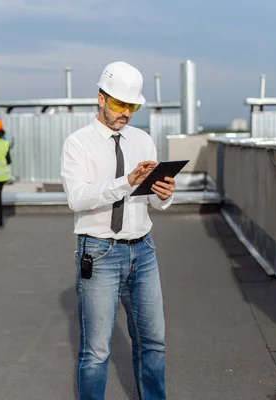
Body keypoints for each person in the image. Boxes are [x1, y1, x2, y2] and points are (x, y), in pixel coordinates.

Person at [60, 61, 176, 400]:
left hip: (143, 250)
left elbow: (152, 201)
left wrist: (164, 195)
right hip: (99, 252)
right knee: (96, 352)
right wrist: (126, 182)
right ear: (100, 98)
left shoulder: (143, 140)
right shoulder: (78, 143)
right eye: (119, 104)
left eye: (132, 105)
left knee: (153, 342)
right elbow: (77, 198)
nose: (126, 112)